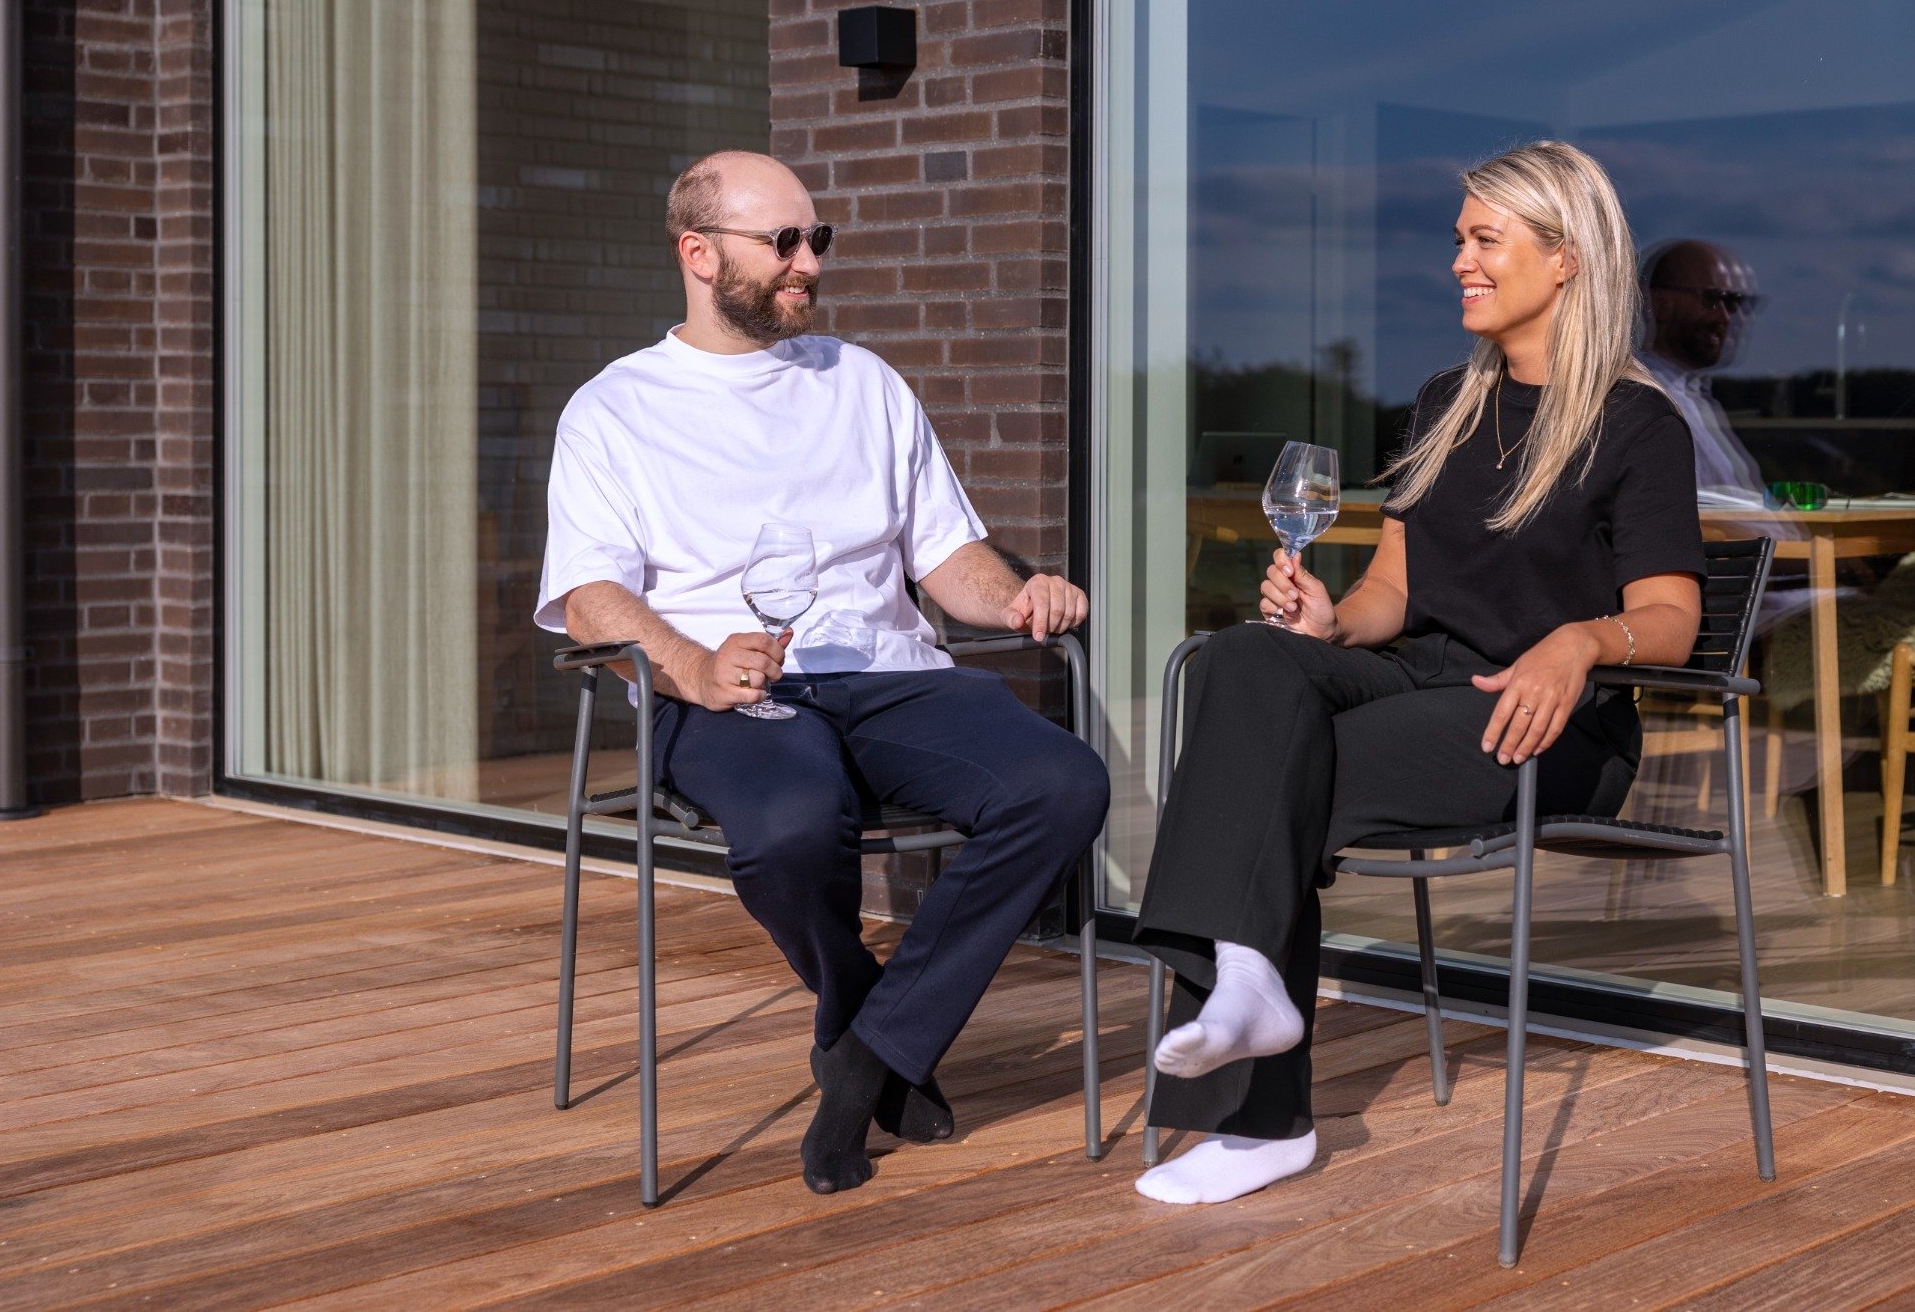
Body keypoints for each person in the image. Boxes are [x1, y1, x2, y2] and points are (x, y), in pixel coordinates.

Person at [1130, 141, 1705, 1205]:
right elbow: (1390, 590)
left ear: (1566, 258)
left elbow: (1671, 618)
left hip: (1545, 722)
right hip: (1417, 675)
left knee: (1272, 769)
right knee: (1244, 659)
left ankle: (1257, 1113)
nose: (1458, 262)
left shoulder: (1637, 425)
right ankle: (1249, 990)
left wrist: (1580, 642)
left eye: (1485, 240)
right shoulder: (1448, 399)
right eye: (1458, 239)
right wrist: (1331, 621)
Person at [534, 150, 1109, 1195]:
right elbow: (589, 598)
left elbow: (946, 554)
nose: (809, 262)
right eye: (784, 242)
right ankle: (873, 1023)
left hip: (887, 673)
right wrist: (694, 664)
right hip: (729, 689)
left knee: (1062, 784)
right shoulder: (616, 409)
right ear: (698, 253)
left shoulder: (863, 382)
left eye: (817, 239)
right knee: (794, 824)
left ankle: (866, 1054)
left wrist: (1015, 595)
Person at [1640, 238, 1766, 501]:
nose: (1728, 318)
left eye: (1738, 303)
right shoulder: (1650, 403)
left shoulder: (1696, 398)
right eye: (1714, 299)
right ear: (1661, 304)